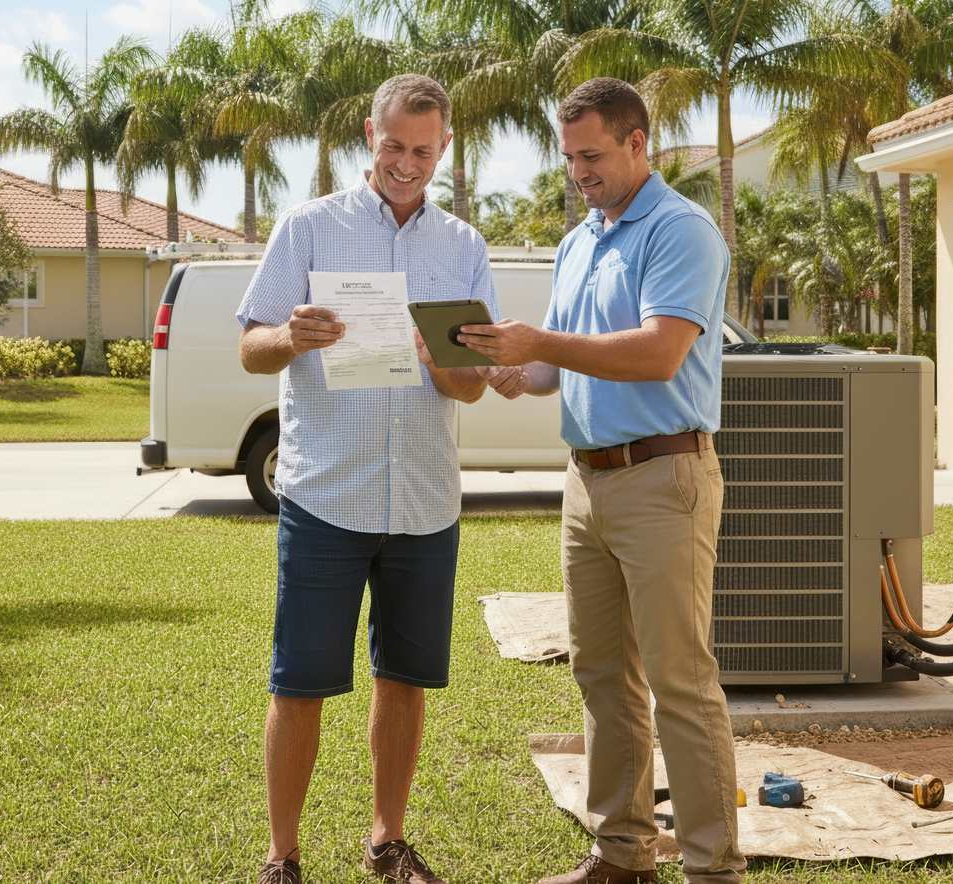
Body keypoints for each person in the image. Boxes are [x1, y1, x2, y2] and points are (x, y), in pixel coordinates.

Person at [459, 78, 746, 883]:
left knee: (679, 682)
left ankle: (713, 867)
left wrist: (538, 339)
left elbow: (658, 351)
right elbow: (563, 361)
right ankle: (621, 855)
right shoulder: (581, 239)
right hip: (586, 483)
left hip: (664, 477)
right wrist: (515, 370)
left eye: (592, 155)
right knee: (600, 675)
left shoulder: (682, 231)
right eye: (568, 158)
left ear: (636, 142)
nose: (579, 171)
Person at [236, 73, 495, 884]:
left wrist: (441, 359)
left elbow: (472, 384)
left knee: (405, 680)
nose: (407, 163)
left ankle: (386, 841)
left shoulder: (464, 246)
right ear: (367, 135)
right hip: (325, 496)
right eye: (393, 146)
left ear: (444, 147)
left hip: (423, 499)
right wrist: (291, 335)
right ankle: (282, 856)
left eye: (423, 149)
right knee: (299, 683)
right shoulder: (309, 226)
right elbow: (251, 347)